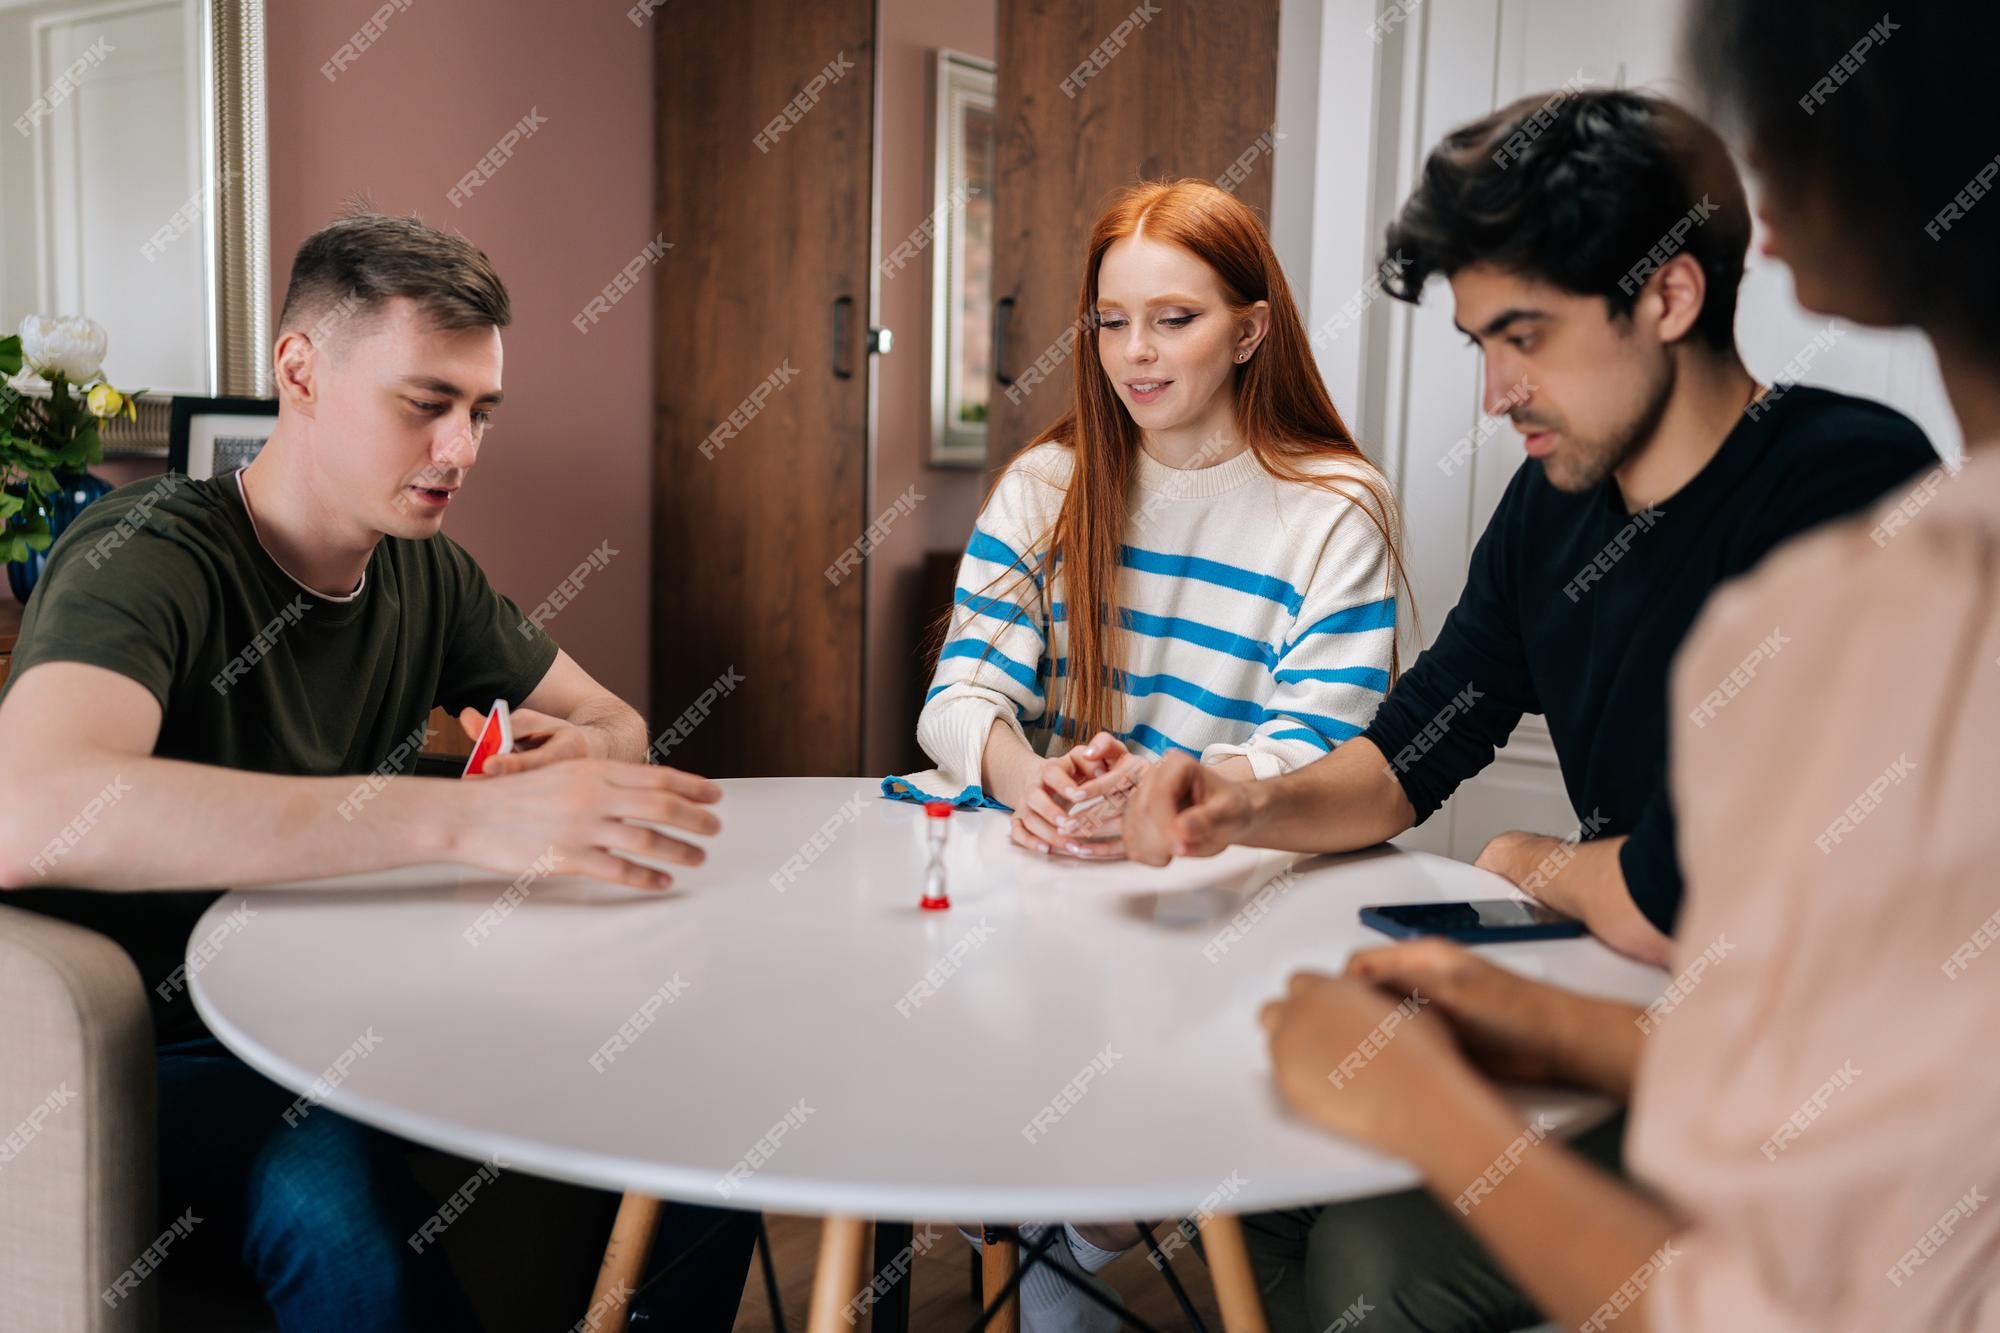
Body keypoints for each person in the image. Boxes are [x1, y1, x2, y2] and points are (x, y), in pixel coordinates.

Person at [1125, 86, 1943, 1330]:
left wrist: (1531, 860)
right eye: (1480, 346)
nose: (1497, 391)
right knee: (1245, 1168)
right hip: (1631, 1017)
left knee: (1372, 1264)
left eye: (1526, 336)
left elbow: (1694, 904)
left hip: (1829, 1084)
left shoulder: (1844, 482)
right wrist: (1248, 798)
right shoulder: (1551, 502)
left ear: (1667, 296)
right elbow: (1413, 747)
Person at [0, 212, 749, 1330]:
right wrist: (460, 826)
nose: (461, 451)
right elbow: (32, 806)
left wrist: (579, 756)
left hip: (343, 1012)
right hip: (142, 1050)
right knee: (338, 1209)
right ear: (299, 370)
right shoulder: (144, 550)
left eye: (479, 412)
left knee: (699, 1109)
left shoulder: (425, 577)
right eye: (425, 405)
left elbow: (616, 718)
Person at [888, 177, 1403, 1328]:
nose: (1135, 352)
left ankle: (1070, 1230)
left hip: (1203, 878)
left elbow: (1319, 742)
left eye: (1173, 319)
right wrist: (1033, 781)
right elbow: (957, 696)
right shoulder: (1048, 481)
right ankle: (1056, 1228)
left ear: (1249, 328)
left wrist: (1164, 801)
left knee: (1091, 1174)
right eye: (1111, 320)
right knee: (989, 1110)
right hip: (1033, 862)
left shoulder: (1331, 505)